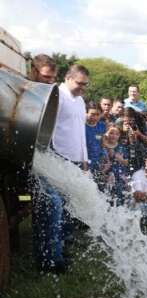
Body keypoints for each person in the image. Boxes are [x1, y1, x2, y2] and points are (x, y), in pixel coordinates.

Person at [32, 64, 90, 273]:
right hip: (56, 159)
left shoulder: (81, 100)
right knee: (53, 208)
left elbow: (80, 132)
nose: (82, 88)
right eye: (79, 84)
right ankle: (49, 260)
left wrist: (85, 161)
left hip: (75, 161)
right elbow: (44, 130)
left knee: (67, 210)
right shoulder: (56, 96)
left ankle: (62, 249)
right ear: (67, 78)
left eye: (85, 85)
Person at [85, 101, 107, 175]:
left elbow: (102, 143)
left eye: (97, 114)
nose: (95, 117)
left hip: (97, 160)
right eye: (92, 114)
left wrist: (105, 158)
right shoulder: (81, 125)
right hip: (84, 160)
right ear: (86, 113)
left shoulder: (102, 125)